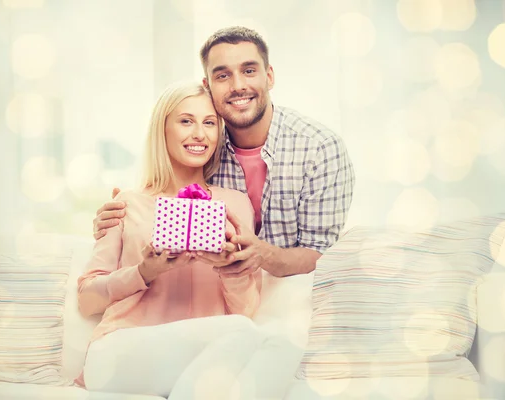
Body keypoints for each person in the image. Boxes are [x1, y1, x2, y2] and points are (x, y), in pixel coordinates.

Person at [92, 26, 356, 279]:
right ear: (208, 86)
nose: (237, 85)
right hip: (221, 297)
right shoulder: (200, 147)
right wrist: (117, 223)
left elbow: (322, 254)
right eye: (222, 75)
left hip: (291, 297)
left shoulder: (320, 149)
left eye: (249, 70)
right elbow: (161, 200)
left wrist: (263, 255)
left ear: (270, 76)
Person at [76, 81, 265, 398]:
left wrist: (228, 268)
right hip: (120, 351)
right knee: (250, 338)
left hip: (201, 358)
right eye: (186, 121)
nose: (199, 134)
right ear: (162, 130)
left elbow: (245, 310)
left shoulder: (234, 204)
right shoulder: (127, 203)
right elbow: (86, 300)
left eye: (209, 123)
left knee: (269, 342)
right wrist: (143, 272)